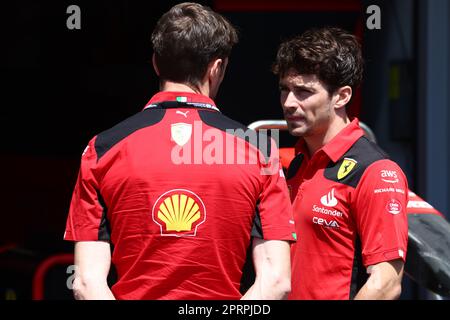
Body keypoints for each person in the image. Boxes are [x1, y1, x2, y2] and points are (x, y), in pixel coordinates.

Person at [64, 2, 296, 300]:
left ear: (156, 63)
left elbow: (85, 282)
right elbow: (276, 281)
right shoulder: (260, 150)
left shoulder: (102, 148)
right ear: (217, 67)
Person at [272, 27, 408, 300]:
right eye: (285, 89)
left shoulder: (376, 172)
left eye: (303, 92)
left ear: (342, 96)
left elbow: (386, 284)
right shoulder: (295, 162)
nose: (289, 102)